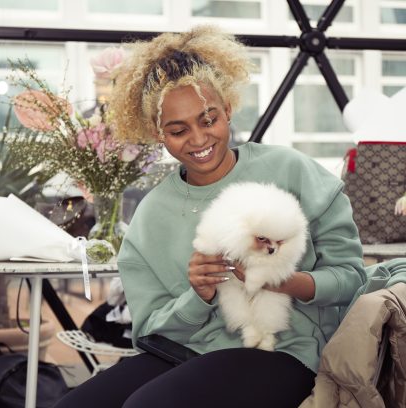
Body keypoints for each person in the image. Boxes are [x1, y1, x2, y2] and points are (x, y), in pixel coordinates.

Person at [54, 25, 366, 408]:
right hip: (184, 350)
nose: (199, 139)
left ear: (228, 109)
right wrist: (198, 296)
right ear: (157, 132)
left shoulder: (292, 171)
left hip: (283, 350)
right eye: (178, 130)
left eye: (208, 119)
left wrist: (282, 281)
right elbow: (149, 329)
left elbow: (352, 279)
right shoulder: (151, 215)